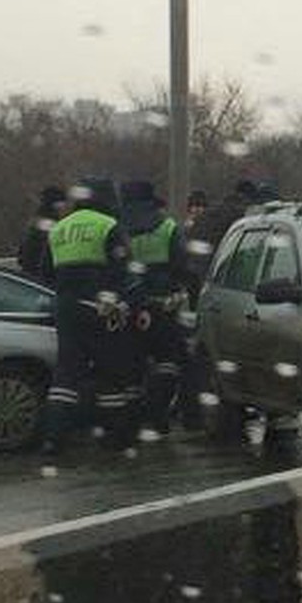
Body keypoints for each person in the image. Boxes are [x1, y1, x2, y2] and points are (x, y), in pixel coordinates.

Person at [41, 178, 140, 455]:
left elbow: (45, 271)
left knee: (66, 374)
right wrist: (121, 301)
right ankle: (115, 437)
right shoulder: (108, 225)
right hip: (100, 307)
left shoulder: (59, 228)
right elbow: (124, 269)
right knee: (112, 372)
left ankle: (53, 438)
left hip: (65, 308)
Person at [119, 180, 198, 433]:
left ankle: (130, 419)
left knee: (131, 365)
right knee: (168, 361)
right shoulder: (167, 227)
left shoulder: (117, 228)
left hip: (128, 308)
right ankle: (158, 412)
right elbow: (184, 266)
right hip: (162, 306)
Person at [17, 185, 66, 282]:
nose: (63, 206)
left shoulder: (37, 219)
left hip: (31, 269)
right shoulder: (48, 222)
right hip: (40, 271)